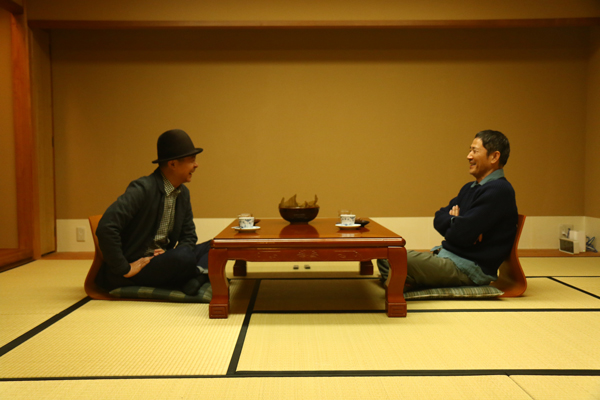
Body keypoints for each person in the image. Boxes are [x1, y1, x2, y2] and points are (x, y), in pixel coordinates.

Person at [378, 130, 518, 290]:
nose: (469, 156)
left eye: (474, 151)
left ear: (494, 157)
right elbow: (439, 217)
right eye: (470, 150)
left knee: (390, 258)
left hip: (469, 268)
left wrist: (459, 225)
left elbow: (463, 234)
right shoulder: (469, 188)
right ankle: (408, 281)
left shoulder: (499, 190)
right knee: (386, 255)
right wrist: (456, 222)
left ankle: (406, 283)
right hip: (448, 256)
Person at [95, 129, 210, 296]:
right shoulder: (142, 188)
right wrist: (124, 268)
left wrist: (172, 254)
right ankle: (197, 277)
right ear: (173, 164)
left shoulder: (182, 193)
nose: (196, 165)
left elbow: (189, 236)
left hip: (163, 260)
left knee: (215, 246)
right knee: (184, 257)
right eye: (192, 160)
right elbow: (106, 227)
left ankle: (194, 276)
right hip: (139, 266)